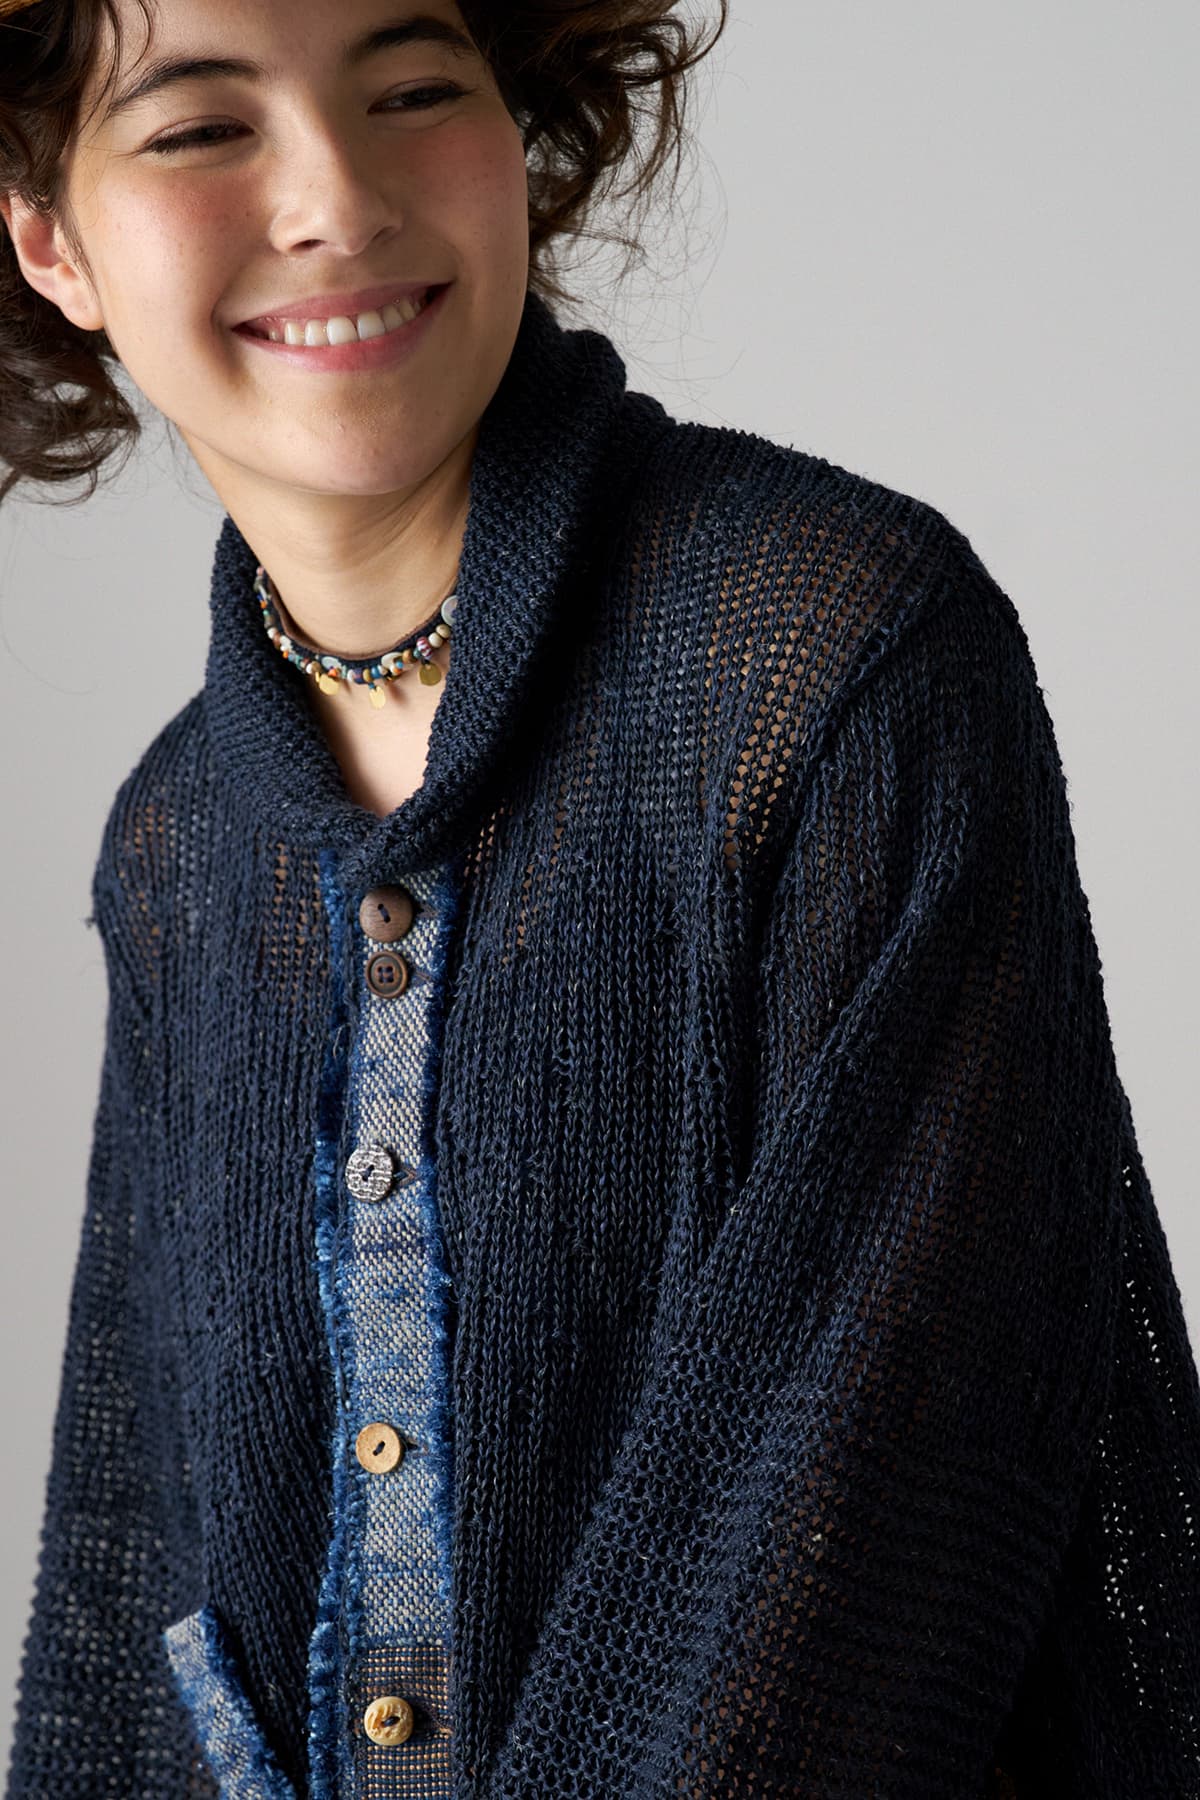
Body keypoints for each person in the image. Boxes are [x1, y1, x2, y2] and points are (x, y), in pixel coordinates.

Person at [2, 0, 1198, 1796]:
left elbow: (867, 1524)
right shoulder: (177, 840)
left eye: (416, 89)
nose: (338, 198)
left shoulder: (838, 661)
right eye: (199, 130)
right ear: (52, 241)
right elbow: (136, 1581)